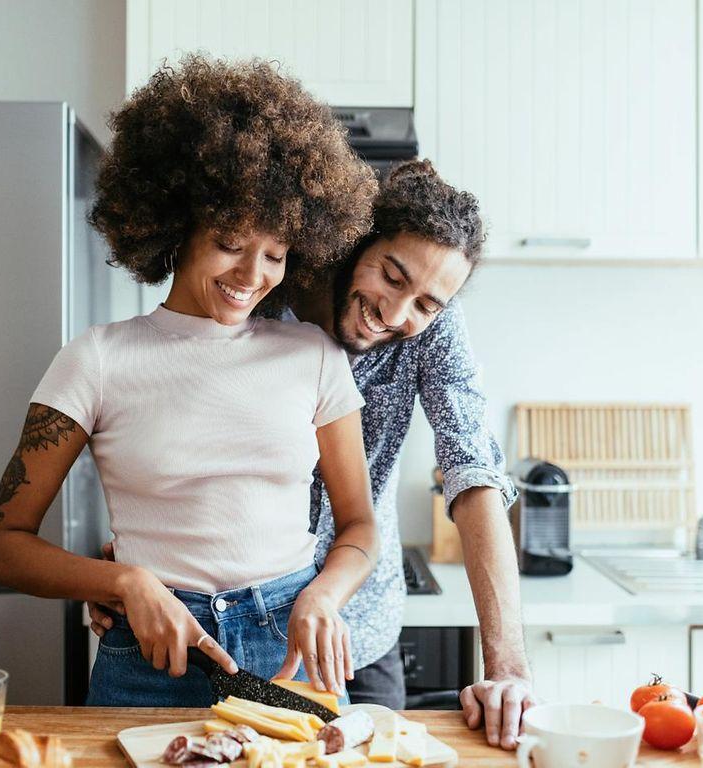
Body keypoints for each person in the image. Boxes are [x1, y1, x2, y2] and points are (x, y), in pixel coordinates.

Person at [0, 54, 381, 707]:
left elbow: (359, 524)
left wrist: (324, 593)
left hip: (288, 651)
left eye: (275, 254)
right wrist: (123, 584)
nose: (253, 273)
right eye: (230, 241)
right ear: (178, 224)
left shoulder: (313, 356)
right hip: (148, 657)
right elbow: (0, 546)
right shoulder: (97, 360)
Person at [91, 159, 535, 743]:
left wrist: (507, 668)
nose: (397, 314)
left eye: (426, 304)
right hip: (217, 629)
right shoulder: (257, 294)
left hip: (355, 636)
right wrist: (137, 563)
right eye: (391, 276)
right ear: (356, 242)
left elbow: (473, 470)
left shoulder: (433, 327)